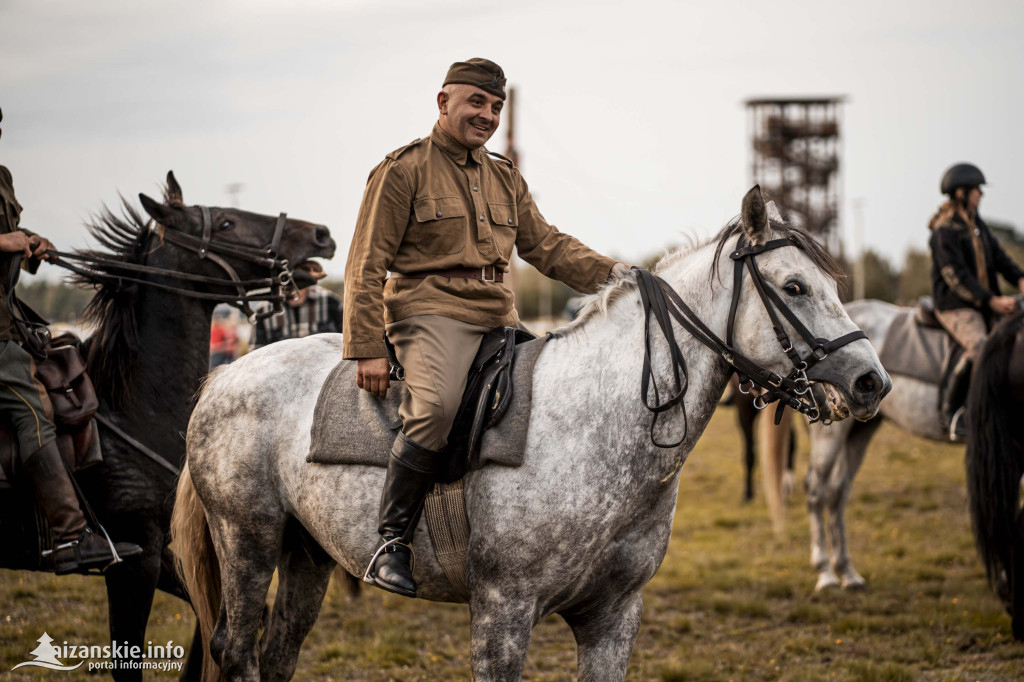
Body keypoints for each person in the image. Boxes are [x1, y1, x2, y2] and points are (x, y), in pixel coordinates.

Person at [344, 58, 628, 597]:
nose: (488, 115)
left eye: (496, 107)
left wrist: (619, 275)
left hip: (498, 315)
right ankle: (390, 543)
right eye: (477, 102)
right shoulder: (402, 170)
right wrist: (366, 347)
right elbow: (365, 264)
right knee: (434, 410)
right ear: (443, 102)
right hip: (429, 311)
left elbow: (548, 246)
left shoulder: (504, 176)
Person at [0, 107, 142, 573]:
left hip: (8, 317)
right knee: (31, 407)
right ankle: (68, 536)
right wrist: (8, 242)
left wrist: (31, 244)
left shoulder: (2, 176)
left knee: (67, 369)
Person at [928, 162, 1024, 440]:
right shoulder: (943, 230)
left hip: (980, 302)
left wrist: (1019, 277)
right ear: (961, 192)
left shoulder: (976, 224)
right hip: (954, 305)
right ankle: (952, 414)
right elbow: (955, 277)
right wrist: (992, 301)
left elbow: (1000, 257)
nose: (981, 195)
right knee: (982, 347)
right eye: (977, 190)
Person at [250, 284, 343, 350]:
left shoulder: (330, 302)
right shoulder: (264, 311)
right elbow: (257, 351)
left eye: (298, 285)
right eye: (287, 287)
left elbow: (345, 343)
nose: (293, 292)